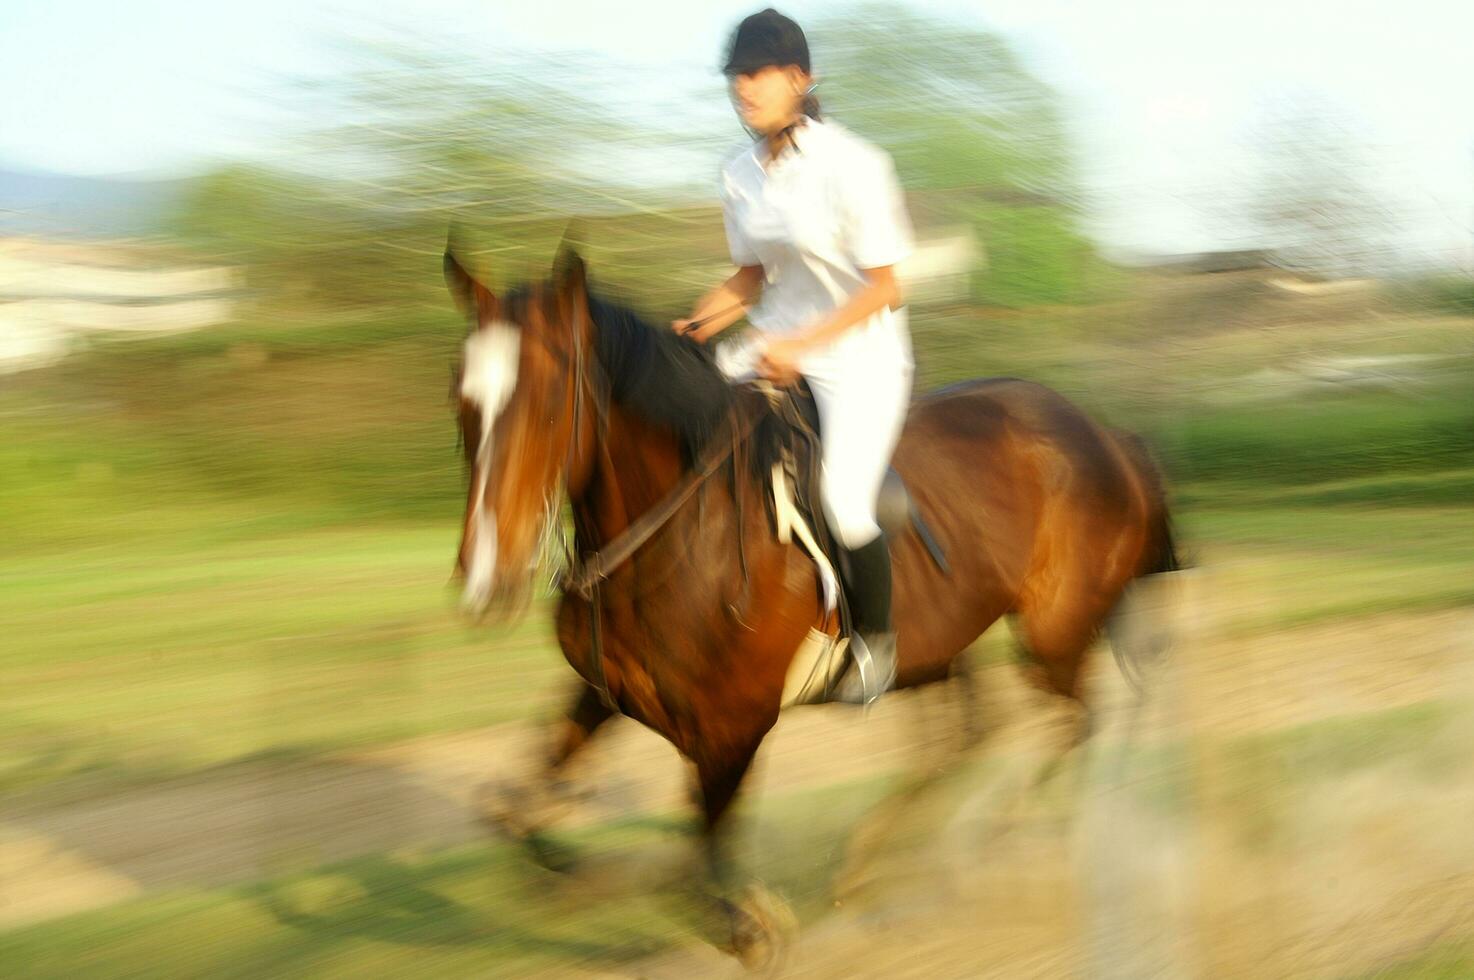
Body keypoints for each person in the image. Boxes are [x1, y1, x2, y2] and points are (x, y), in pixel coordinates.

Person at [673, 7, 915, 704]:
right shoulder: (739, 173)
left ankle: (875, 648)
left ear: (799, 79)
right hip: (771, 340)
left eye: (756, 74)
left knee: (843, 501)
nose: (742, 88)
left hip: (860, 358)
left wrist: (803, 352)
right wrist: (692, 326)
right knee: (679, 415)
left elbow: (888, 288)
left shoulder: (855, 165)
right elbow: (750, 278)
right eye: (735, 76)